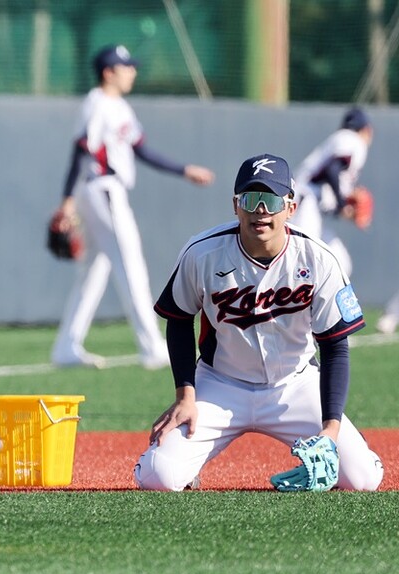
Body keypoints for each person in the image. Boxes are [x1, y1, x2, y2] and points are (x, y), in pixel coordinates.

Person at [134, 153, 384, 492]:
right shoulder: (202, 252)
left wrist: (330, 429)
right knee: (157, 477)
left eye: (270, 200)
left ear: (290, 208)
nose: (260, 210)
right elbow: (178, 318)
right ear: (235, 206)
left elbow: (335, 346)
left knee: (363, 480)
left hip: (295, 385)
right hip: (220, 385)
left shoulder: (318, 259)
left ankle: (352, 451)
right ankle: (186, 468)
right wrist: (185, 395)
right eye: (251, 199)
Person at [50, 44, 215, 370]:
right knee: (130, 264)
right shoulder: (96, 104)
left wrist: (184, 170)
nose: (132, 72)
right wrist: (67, 200)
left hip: (102, 189)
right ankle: (151, 346)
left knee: (94, 272)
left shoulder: (119, 107)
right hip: (102, 189)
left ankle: (66, 347)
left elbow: (142, 150)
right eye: (126, 67)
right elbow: (81, 151)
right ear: (109, 72)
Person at [288, 106, 374, 278]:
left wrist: (344, 208)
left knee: (339, 262)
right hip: (305, 203)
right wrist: (343, 205)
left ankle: (325, 304)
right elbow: (332, 170)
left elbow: (328, 180)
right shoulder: (353, 140)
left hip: (308, 204)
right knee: (302, 261)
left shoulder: (341, 139)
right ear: (366, 130)